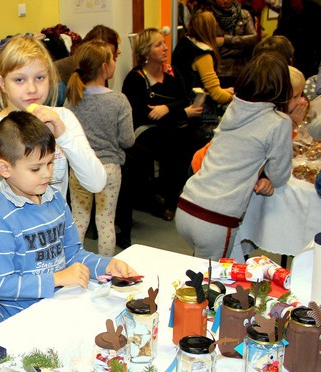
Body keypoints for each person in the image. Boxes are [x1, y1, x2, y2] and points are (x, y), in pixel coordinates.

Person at [0, 35, 106, 326]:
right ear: (2, 82)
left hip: (54, 256)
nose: (31, 89)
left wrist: (63, 135)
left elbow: (95, 182)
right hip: (12, 265)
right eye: (20, 80)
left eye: (40, 78)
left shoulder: (64, 118)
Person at [0, 111, 133, 323]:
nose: (47, 174)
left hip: (58, 308)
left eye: (50, 163)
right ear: (5, 168)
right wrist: (56, 279)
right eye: (36, 168)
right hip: (21, 322)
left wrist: (106, 266)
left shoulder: (55, 200)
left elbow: (72, 254)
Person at [175, 53, 293, 259]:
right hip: (215, 219)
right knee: (212, 277)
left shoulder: (234, 108)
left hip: (187, 204)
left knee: (200, 271)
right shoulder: (279, 122)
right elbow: (279, 175)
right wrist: (265, 175)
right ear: (282, 87)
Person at [119, 28, 204, 229]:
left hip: (171, 125)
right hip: (144, 130)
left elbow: (184, 100)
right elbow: (144, 114)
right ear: (146, 52)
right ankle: (168, 201)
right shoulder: (135, 78)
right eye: (158, 44)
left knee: (196, 140)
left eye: (164, 43)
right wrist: (181, 112)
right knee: (172, 145)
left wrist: (167, 109)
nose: (165, 48)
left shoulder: (171, 73)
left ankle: (183, 194)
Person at [64, 41, 135, 256]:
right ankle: (105, 268)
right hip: (109, 170)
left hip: (80, 168)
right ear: (105, 66)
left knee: (78, 219)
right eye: (113, 58)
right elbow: (127, 140)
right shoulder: (118, 100)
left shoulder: (72, 99)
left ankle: (74, 263)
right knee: (105, 223)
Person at [172, 10, 234, 140]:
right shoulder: (203, 55)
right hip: (202, 115)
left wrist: (224, 91)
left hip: (183, 108)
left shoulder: (183, 44)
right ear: (210, 29)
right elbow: (215, 94)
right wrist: (234, 98)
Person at [209, 0, 258, 87]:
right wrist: (240, 47)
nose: (225, 1)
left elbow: (253, 39)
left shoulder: (244, 14)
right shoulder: (208, 16)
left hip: (241, 70)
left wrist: (225, 40)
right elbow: (210, 45)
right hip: (218, 70)